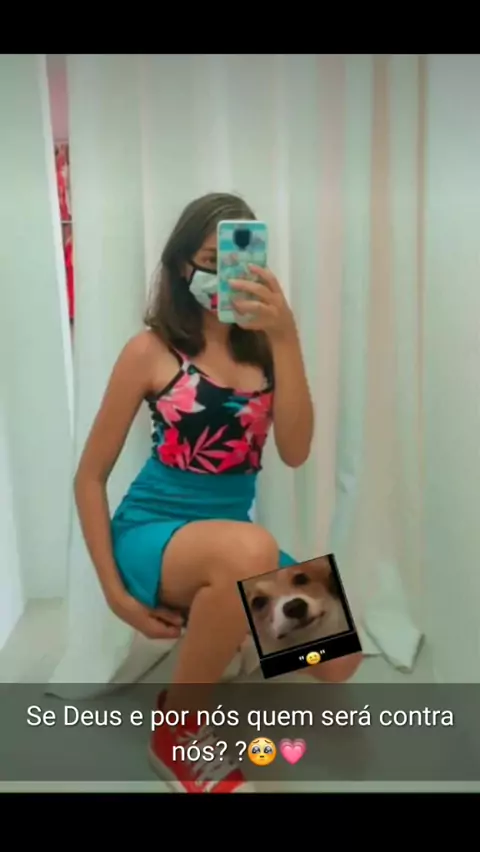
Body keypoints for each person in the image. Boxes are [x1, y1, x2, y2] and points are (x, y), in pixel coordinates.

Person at [74, 192, 362, 793]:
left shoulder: (267, 351)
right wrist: (115, 597)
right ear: (181, 265)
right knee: (252, 551)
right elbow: (89, 477)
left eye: (237, 260)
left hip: (232, 544)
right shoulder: (151, 349)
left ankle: (218, 626)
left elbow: (296, 451)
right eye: (209, 260)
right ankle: (176, 731)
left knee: (340, 662)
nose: (222, 274)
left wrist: (286, 336)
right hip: (152, 533)